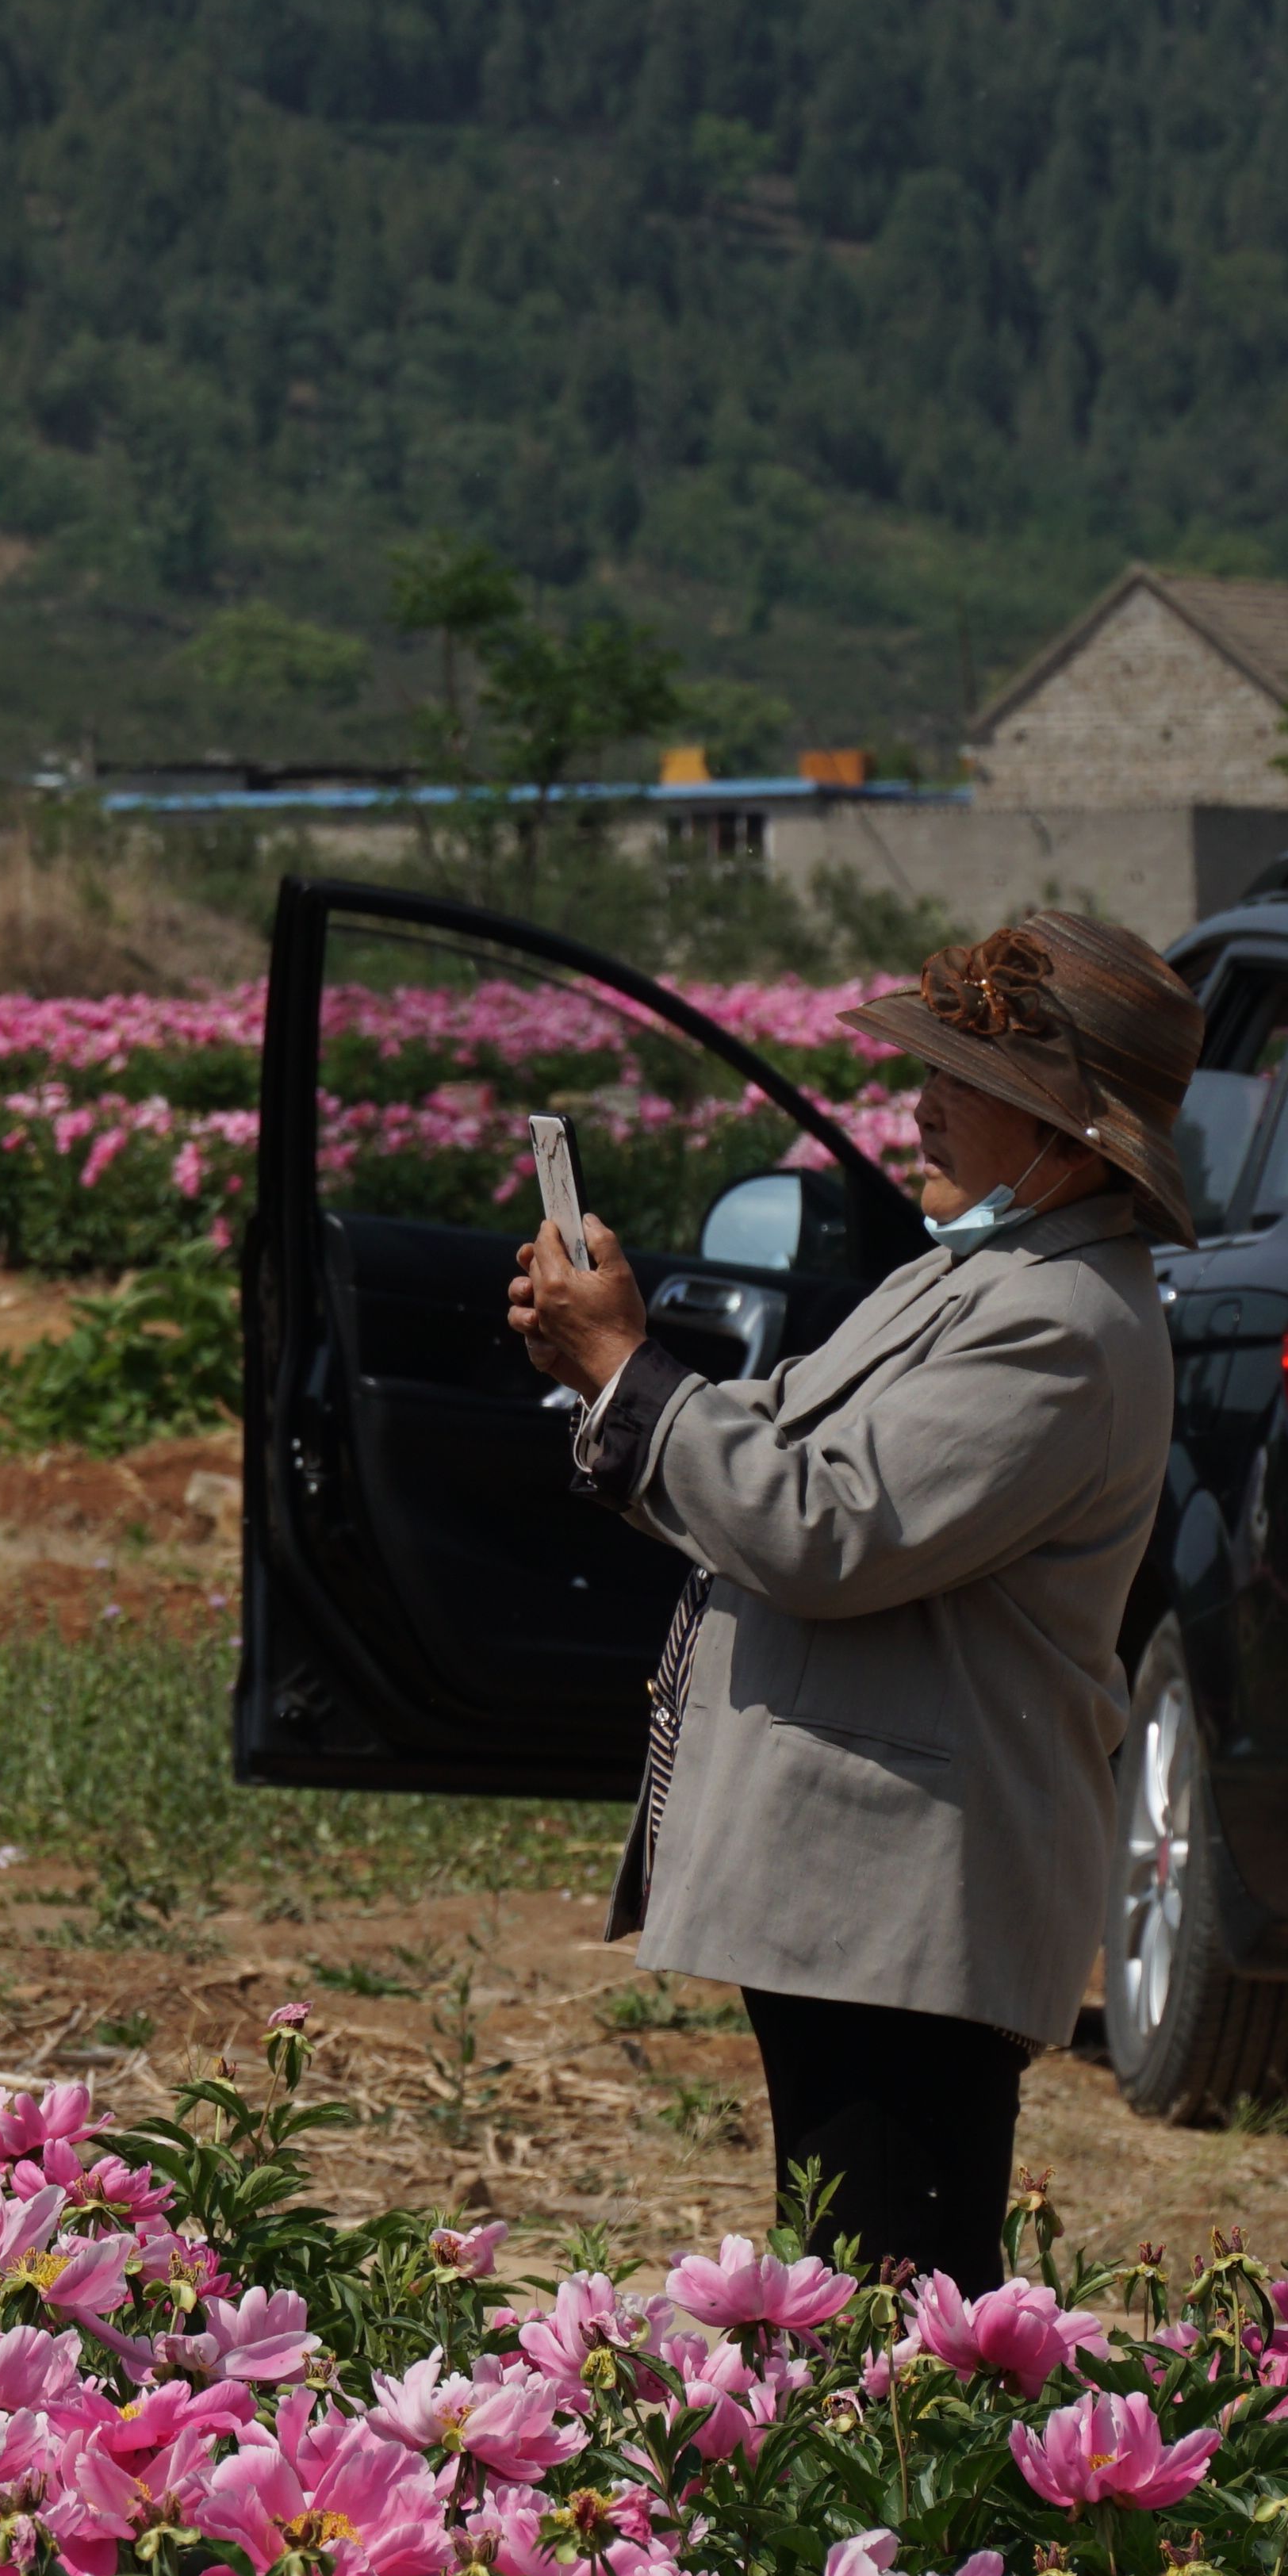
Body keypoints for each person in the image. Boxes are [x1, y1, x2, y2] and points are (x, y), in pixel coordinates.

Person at [507, 910, 1198, 2291]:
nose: (925, 1104)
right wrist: (615, 1372)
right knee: (853, 2299)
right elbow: (778, 1441)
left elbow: (825, 1526)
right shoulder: (979, 1280)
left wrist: (629, 1372)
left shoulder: (1059, 1328)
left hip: (916, 1907)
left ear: (1070, 1139)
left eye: (972, 1081)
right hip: (864, 1899)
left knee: (890, 2319)